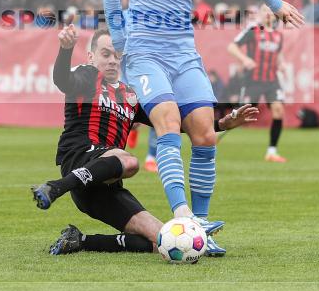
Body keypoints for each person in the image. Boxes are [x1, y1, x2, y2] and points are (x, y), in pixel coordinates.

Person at [102, 0, 304, 256]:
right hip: (145, 54)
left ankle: (201, 224)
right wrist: (119, 38)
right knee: (166, 122)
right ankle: (184, 220)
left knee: (206, 135)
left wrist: (275, 3)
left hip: (184, 55)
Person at [32, 24, 256, 255]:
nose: (112, 60)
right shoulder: (86, 75)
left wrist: (220, 125)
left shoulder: (130, 95)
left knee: (164, 240)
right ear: (91, 56)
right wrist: (65, 50)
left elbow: (171, 123)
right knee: (130, 161)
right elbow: (62, 80)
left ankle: (80, 240)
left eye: (117, 55)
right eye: (105, 54)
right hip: (79, 159)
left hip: (103, 187)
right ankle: (54, 187)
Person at [228, 4, 287, 162]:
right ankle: (217, 132)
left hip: (272, 81)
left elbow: (278, 55)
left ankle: (272, 152)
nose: (267, 14)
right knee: (240, 116)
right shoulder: (253, 30)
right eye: (264, 11)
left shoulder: (278, 35)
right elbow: (232, 46)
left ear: (275, 15)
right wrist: (245, 59)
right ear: (259, 14)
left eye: (270, 11)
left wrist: (281, 64)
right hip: (253, 80)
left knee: (278, 110)